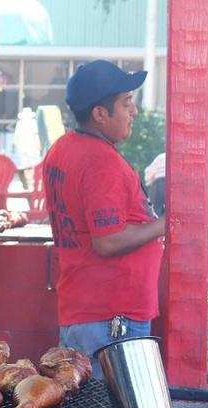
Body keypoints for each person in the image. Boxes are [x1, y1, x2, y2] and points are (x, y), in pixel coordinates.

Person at [42, 60, 165, 377]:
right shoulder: (99, 161)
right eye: (126, 103)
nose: (134, 111)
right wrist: (166, 223)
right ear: (99, 113)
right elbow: (107, 242)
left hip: (87, 313)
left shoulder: (62, 149)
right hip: (111, 321)